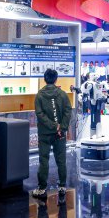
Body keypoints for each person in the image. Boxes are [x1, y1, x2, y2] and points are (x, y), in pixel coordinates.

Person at [32, 69, 72, 204]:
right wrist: (61, 127)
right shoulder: (62, 94)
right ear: (56, 79)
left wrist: (53, 126)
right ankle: (62, 186)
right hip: (59, 133)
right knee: (61, 160)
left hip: (44, 133)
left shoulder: (39, 95)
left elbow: (40, 114)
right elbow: (68, 111)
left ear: (44, 79)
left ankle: (42, 189)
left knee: (43, 160)